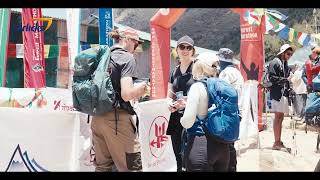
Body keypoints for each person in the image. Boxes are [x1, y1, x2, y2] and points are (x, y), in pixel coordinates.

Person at [90, 27, 147, 172]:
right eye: (136, 43)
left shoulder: (102, 56)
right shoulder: (127, 58)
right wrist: (142, 89)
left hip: (97, 118)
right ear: (127, 40)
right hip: (117, 120)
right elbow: (126, 94)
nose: (136, 47)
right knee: (133, 166)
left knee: (103, 167)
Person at [180, 52, 229, 172]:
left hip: (201, 144)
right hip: (223, 146)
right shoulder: (223, 86)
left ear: (199, 66)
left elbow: (187, 122)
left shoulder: (197, 87)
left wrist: (182, 117)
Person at [166, 35, 196, 172]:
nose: (185, 50)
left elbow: (203, 93)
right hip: (176, 118)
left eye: (188, 47)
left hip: (193, 117)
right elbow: (169, 94)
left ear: (193, 51)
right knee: (178, 154)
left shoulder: (197, 68)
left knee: (191, 156)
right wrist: (169, 104)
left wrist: (187, 102)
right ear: (176, 50)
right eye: (182, 47)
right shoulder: (174, 72)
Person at [217, 48, 244, 172]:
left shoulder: (225, 74)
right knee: (231, 143)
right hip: (237, 112)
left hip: (228, 112)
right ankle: (233, 167)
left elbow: (222, 93)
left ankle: (230, 168)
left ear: (221, 60)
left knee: (226, 145)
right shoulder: (237, 72)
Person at [268, 44, 294, 152]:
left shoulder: (284, 63)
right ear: (283, 52)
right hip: (277, 94)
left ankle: (278, 141)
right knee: (278, 117)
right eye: (288, 54)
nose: (289, 56)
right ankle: (276, 142)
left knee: (281, 117)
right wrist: (286, 79)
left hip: (282, 93)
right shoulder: (275, 62)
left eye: (291, 54)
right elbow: (272, 77)